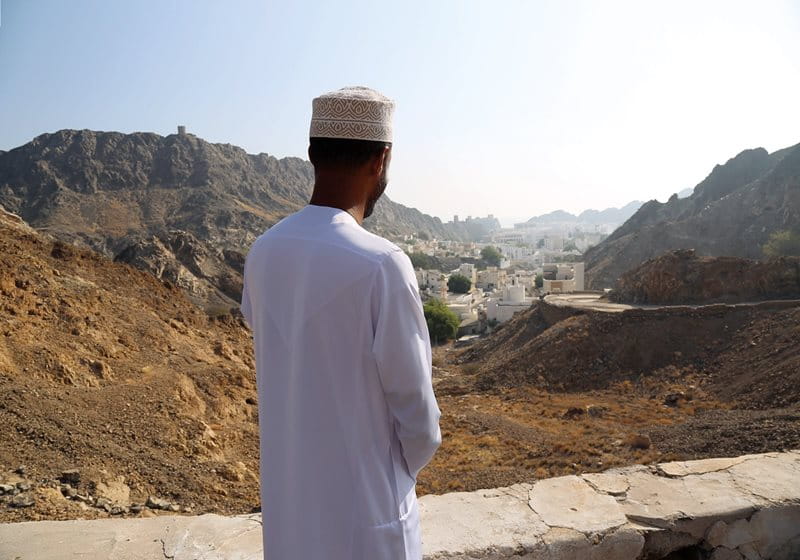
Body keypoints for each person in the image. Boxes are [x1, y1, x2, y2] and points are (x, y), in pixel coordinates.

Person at [240, 86, 442, 560]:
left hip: (290, 519)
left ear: (311, 152)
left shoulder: (264, 251)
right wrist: (382, 477)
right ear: (382, 160)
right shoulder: (382, 265)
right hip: (367, 527)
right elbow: (420, 423)